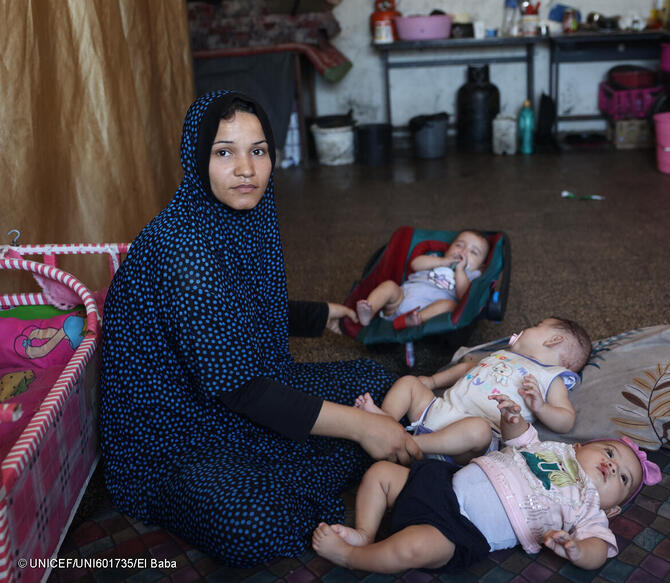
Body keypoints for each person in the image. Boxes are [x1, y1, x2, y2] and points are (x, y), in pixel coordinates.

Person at [98, 91, 421, 568]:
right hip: (174, 436)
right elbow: (244, 391)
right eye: (224, 151)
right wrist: (363, 426)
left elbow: (237, 304)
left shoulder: (233, 218)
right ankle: (349, 450)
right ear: (197, 156)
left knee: (379, 383)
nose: (246, 168)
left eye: (258, 150)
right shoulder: (183, 250)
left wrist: (322, 314)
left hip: (241, 381)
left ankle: (344, 447)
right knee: (255, 524)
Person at [312, 392, 662, 574]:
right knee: (380, 475)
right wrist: (511, 417)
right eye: (610, 454)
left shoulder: (588, 510)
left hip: (459, 530)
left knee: (412, 549)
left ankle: (352, 556)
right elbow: (515, 436)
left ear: (612, 508)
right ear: (579, 447)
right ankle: (364, 532)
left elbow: (599, 552)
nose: (612, 468)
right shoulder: (548, 448)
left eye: (623, 477)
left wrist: (577, 549)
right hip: (442, 484)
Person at [356, 317, 591, 463]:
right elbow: (468, 367)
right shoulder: (504, 354)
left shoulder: (551, 378)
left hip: (468, 438)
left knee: (479, 430)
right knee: (408, 383)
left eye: (536, 326)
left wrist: (541, 406)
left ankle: (408, 444)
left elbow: (566, 420)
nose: (527, 329)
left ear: (553, 340)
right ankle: (385, 423)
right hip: (438, 409)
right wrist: (432, 381)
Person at [355, 230, 490, 329]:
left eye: (473, 252)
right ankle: (369, 311)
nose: (463, 252)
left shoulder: (472, 275)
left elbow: (464, 296)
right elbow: (415, 264)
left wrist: (460, 270)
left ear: (481, 267)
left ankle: (414, 320)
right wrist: (443, 261)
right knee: (389, 286)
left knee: (450, 306)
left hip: (428, 310)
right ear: (448, 248)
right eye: (459, 245)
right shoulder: (436, 258)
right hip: (400, 299)